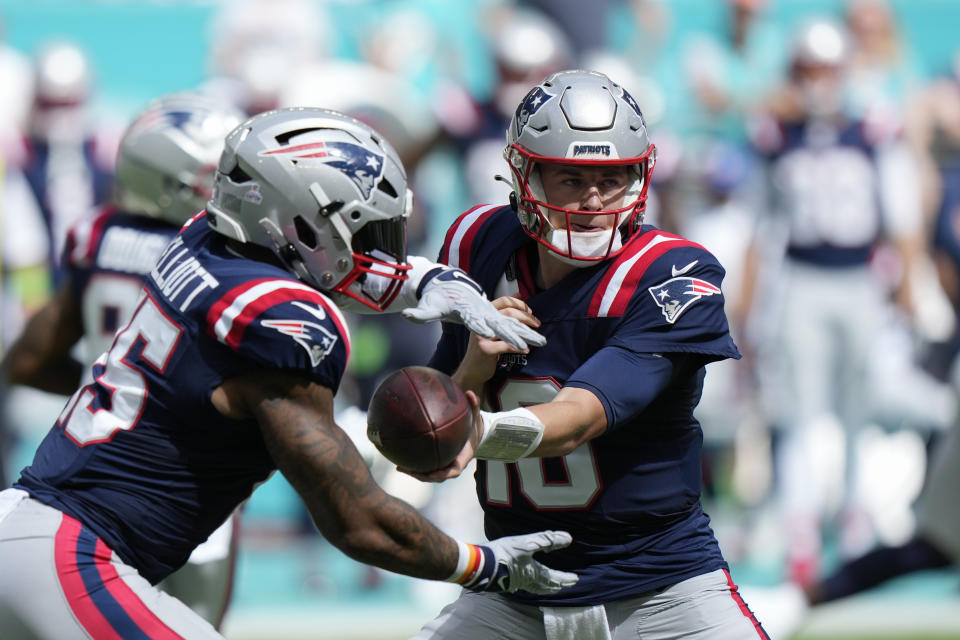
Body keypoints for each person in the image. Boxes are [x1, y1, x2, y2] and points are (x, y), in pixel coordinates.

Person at [0, 107, 575, 640]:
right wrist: (481, 565)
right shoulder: (283, 324)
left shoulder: (203, 235)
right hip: (71, 555)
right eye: (362, 229)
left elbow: (308, 264)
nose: (375, 251)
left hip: (36, 531)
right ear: (299, 223)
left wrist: (423, 282)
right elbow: (358, 523)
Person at [409, 69, 769, 639]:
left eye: (612, 178)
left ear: (640, 176)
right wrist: (474, 365)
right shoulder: (478, 245)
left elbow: (579, 416)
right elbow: (426, 445)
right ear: (526, 175)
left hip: (660, 591)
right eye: (571, 180)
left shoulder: (673, 274)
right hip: (515, 588)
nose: (594, 201)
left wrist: (472, 431)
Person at [1, 92, 247, 630]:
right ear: (170, 180)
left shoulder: (98, 235)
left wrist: (111, 388)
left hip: (90, 468)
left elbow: (24, 361)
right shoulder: (210, 254)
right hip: (184, 480)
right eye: (218, 176)